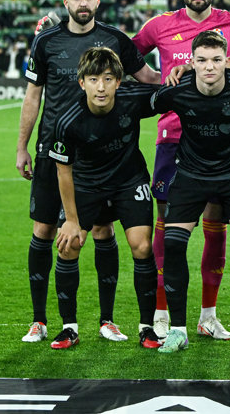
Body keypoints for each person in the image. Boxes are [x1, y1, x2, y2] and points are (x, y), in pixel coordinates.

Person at [132, 0, 230, 341]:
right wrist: (156, 79)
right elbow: (127, 54)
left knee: (217, 228)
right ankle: (162, 313)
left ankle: (208, 316)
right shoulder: (158, 26)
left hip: (223, 143)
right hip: (173, 140)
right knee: (167, 228)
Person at [16, 0, 159, 344]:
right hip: (54, 151)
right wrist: (22, 146)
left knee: (103, 230)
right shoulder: (46, 41)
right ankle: (39, 320)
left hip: (106, 156)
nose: (83, 3)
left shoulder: (115, 39)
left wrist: (184, 74)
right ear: (66, 3)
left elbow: (147, 78)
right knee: (47, 232)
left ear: (98, 1)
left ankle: (106, 320)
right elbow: (33, 96)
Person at [151, 31, 230, 355]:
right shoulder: (177, 91)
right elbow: (138, 105)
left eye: (217, 60)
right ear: (192, 62)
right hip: (191, 176)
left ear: (226, 60)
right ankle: (177, 330)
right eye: (201, 60)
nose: (209, 67)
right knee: (173, 245)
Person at [48, 47, 160, 350]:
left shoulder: (134, 98)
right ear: (82, 82)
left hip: (129, 180)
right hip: (87, 185)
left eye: (108, 79)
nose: (101, 87)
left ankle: (147, 327)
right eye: (94, 79)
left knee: (142, 246)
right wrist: (71, 220)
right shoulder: (67, 121)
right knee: (69, 245)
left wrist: (186, 72)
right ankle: (69, 328)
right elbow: (63, 172)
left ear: (119, 82)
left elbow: (171, 94)